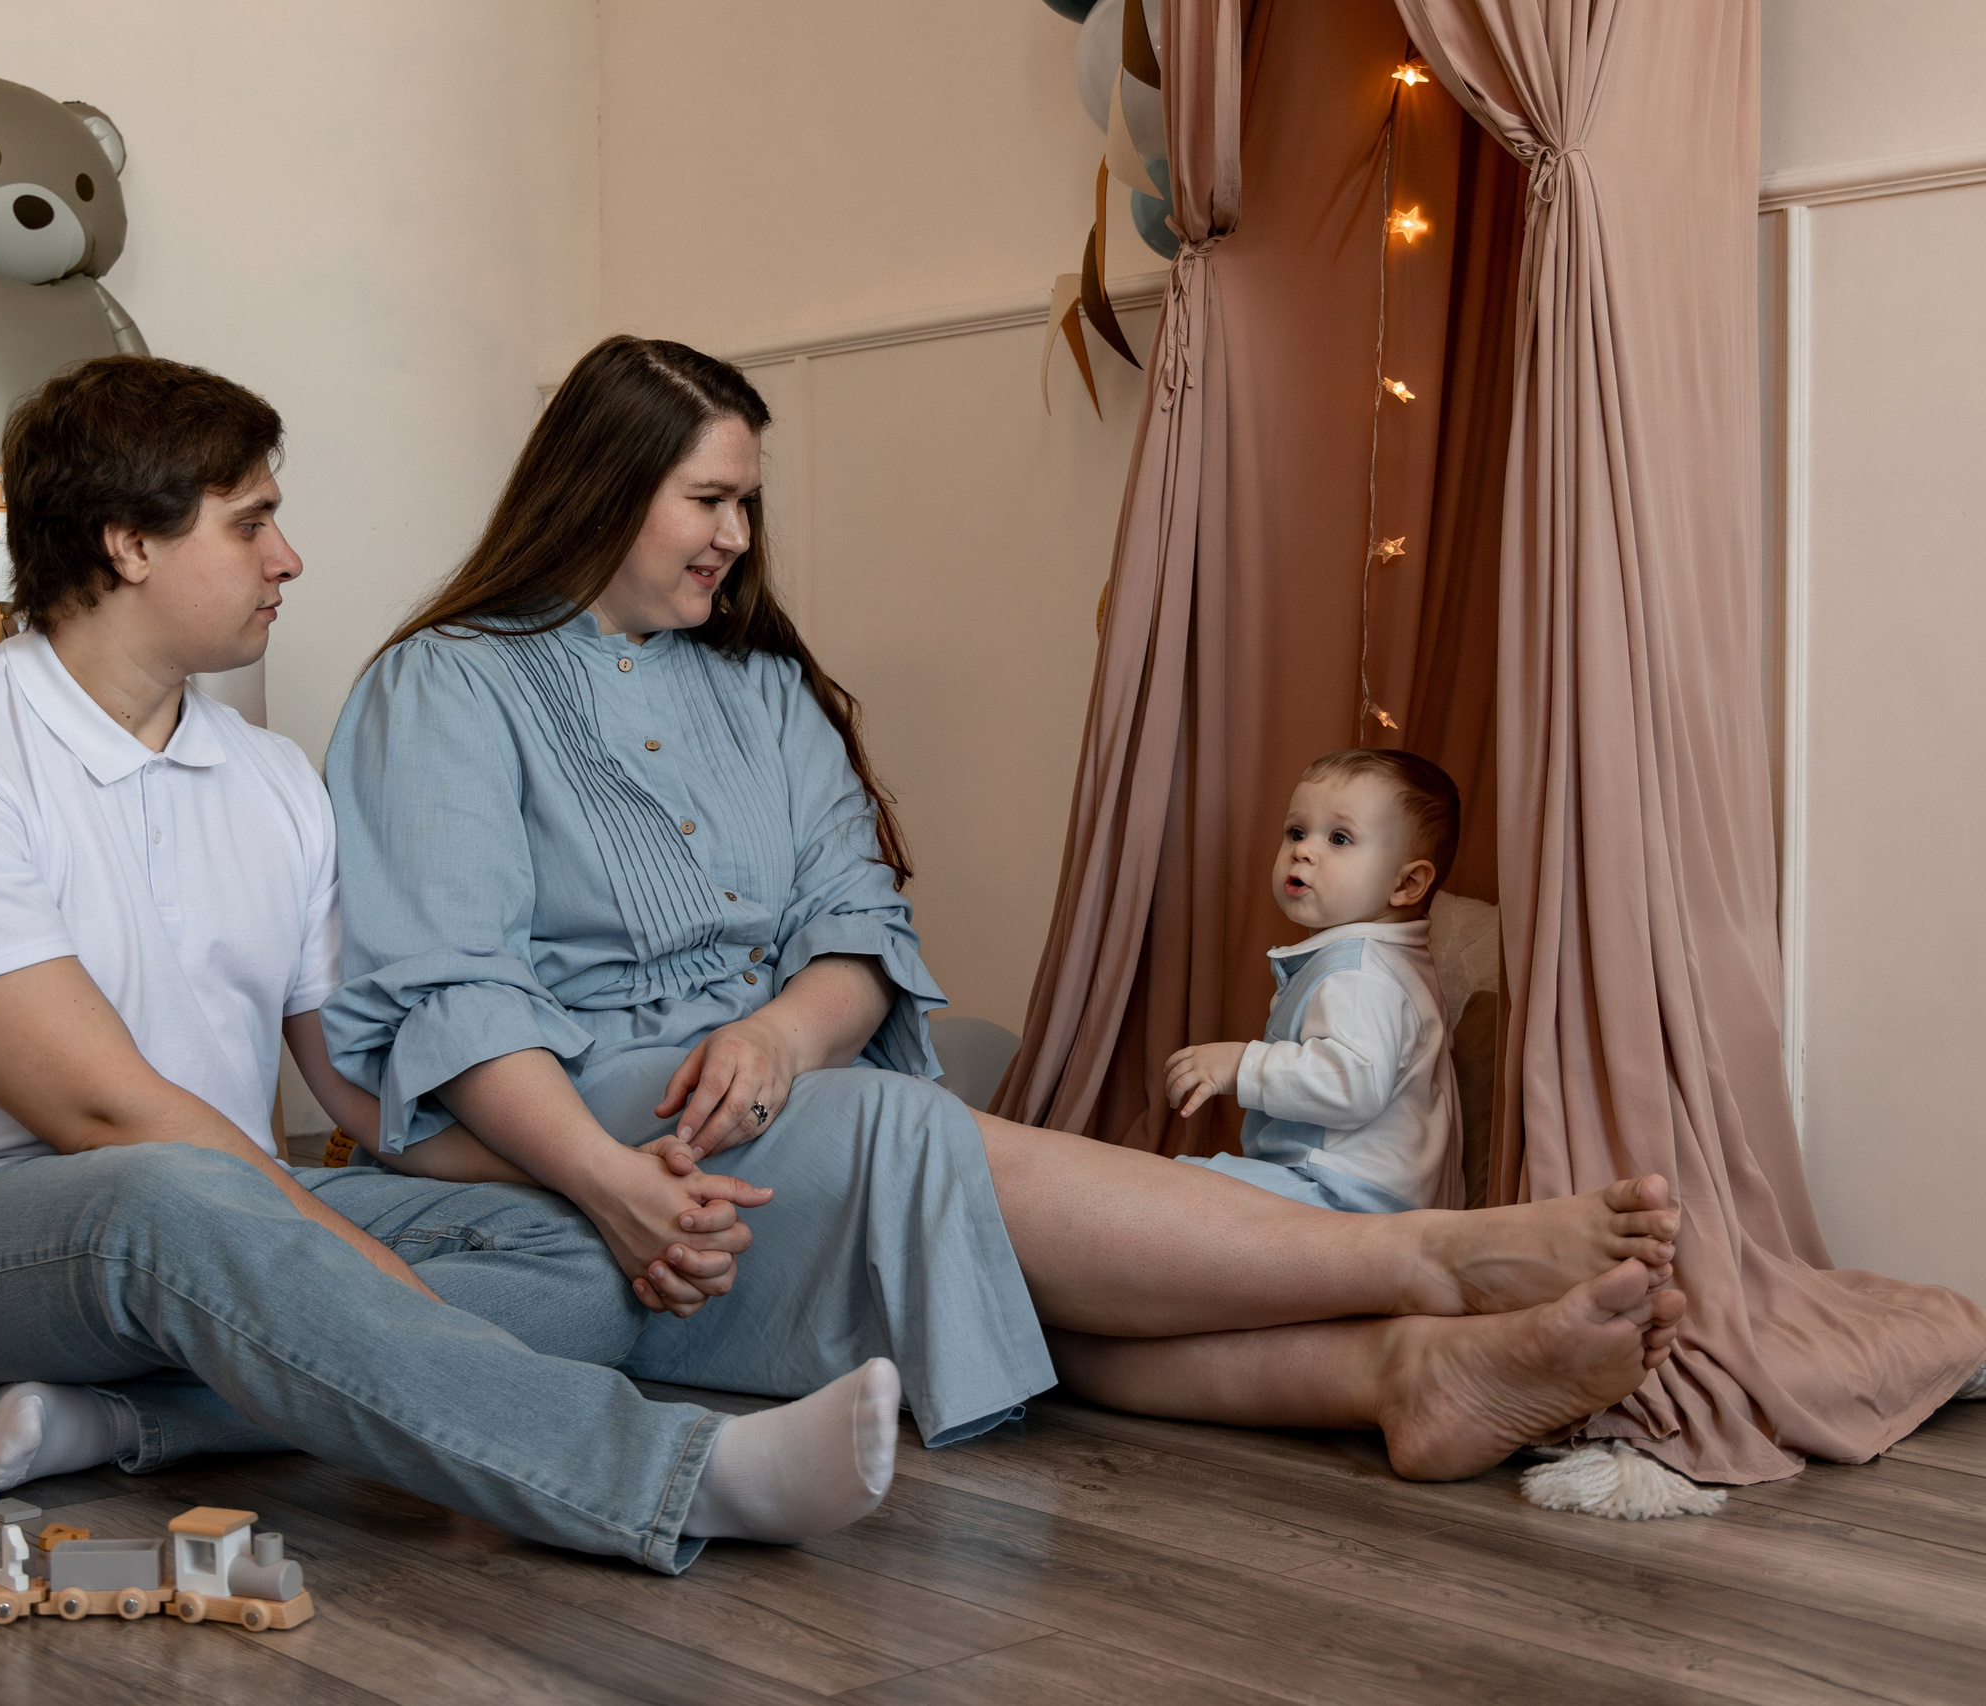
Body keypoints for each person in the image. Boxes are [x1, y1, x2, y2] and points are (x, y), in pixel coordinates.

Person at [323, 334, 1688, 1481]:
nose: (738, 537)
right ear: (603, 486)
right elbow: (459, 996)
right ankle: (1432, 1264)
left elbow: (857, 932)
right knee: (909, 1131)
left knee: (952, 1224)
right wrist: (609, 1181)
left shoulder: (761, 685)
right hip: (581, 1106)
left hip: (768, 1079)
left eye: (748, 502)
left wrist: (787, 1039)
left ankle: (1406, 1373)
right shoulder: (445, 684)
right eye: (707, 499)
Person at [0, 354, 908, 1576]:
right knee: (167, 1190)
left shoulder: (269, 779)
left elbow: (367, 1095)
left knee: (581, 1265)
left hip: (219, 1220)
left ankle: (133, 1418)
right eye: (252, 522)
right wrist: (368, 1264)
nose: (289, 558)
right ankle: (677, 1473)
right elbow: (100, 1111)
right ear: (126, 544)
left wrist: (609, 1184)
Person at [1161, 748, 1464, 1213]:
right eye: (1296, 832)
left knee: (1171, 1192)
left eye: (1340, 838)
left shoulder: (1361, 974)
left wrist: (1243, 1064)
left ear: (1405, 886)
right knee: (1179, 1191)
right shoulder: (1383, 960)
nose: (1303, 849)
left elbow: (1353, 1081)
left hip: (1346, 1194)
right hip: (1355, 1189)